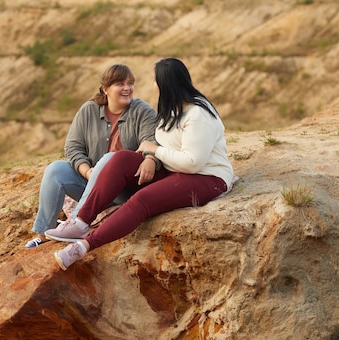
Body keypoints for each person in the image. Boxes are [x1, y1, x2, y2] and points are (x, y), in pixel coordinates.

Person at [45, 57, 235, 270]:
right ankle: (80, 222)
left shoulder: (198, 114)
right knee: (120, 158)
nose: (152, 86)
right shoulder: (172, 109)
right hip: (174, 172)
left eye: (155, 81)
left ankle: (84, 246)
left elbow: (193, 163)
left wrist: (154, 151)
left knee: (141, 200)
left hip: (206, 177)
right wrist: (149, 158)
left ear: (165, 83)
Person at [25, 64, 159, 249]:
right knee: (55, 170)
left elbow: (151, 141)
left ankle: (77, 224)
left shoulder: (143, 111)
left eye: (130, 83)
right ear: (106, 89)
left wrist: (150, 158)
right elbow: (73, 147)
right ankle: (44, 235)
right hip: (91, 186)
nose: (127, 88)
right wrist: (88, 172)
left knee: (109, 160)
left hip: (125, 190)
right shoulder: (89, 110)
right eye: (120, 83)